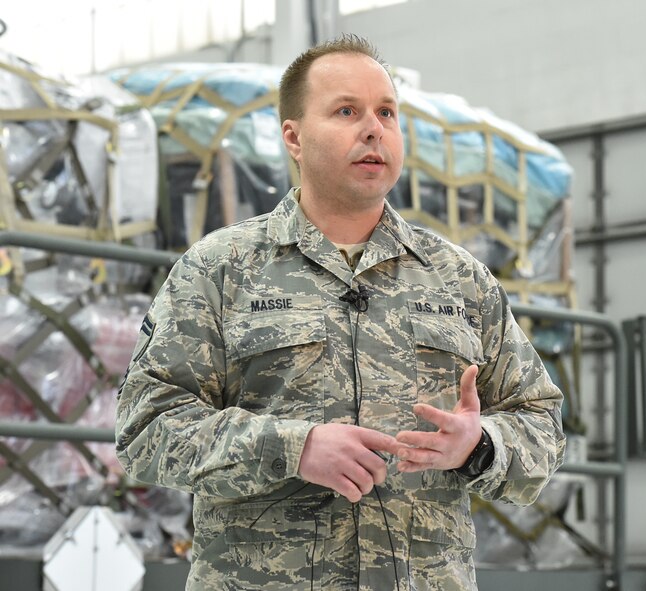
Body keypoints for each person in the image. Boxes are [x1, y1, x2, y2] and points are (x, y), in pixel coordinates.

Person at [115, 34, 564, 591]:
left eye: (386, 113)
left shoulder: (460, 278)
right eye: (346, 111)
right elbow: (146, 430)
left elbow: (540, 423)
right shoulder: (220, 269)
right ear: (294, 138)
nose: (373, 128)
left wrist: (478, 446)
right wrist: (292, 447)